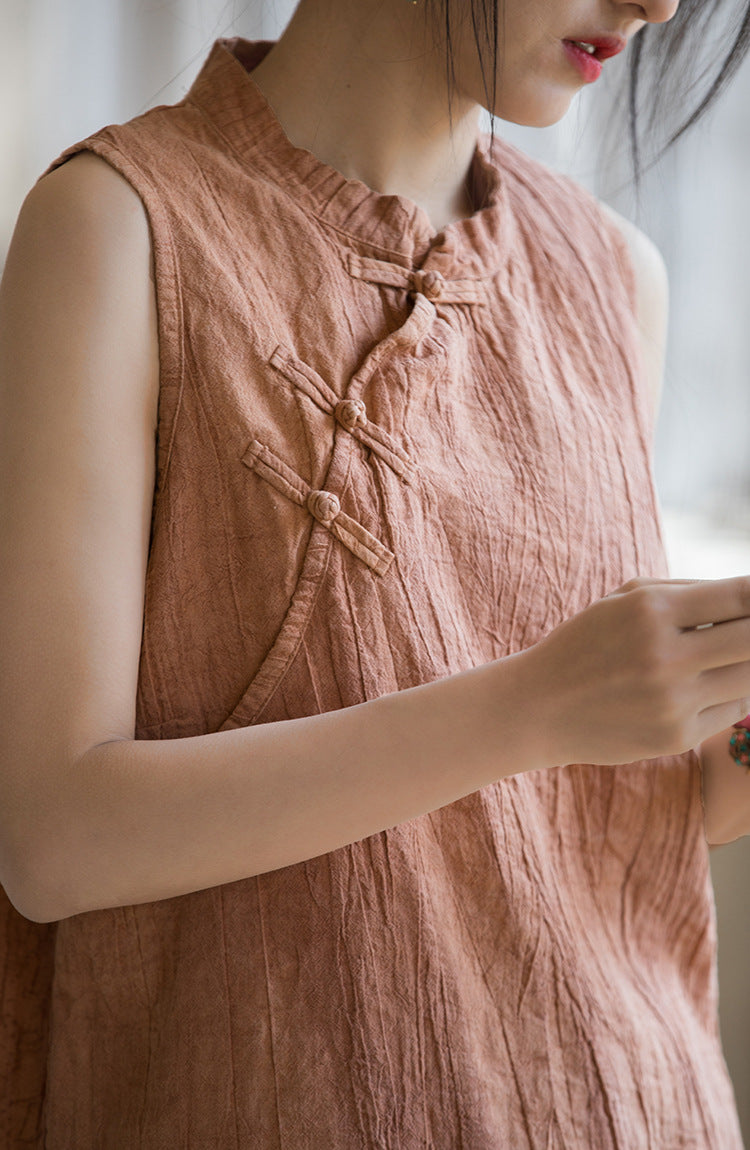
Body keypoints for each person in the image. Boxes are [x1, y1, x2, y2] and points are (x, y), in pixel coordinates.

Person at [2, 0, 750, 1144]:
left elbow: (569, 828)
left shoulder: (613, 279)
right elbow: (53, 841)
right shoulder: (118, 229)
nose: (656, 4)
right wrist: (534, 704)